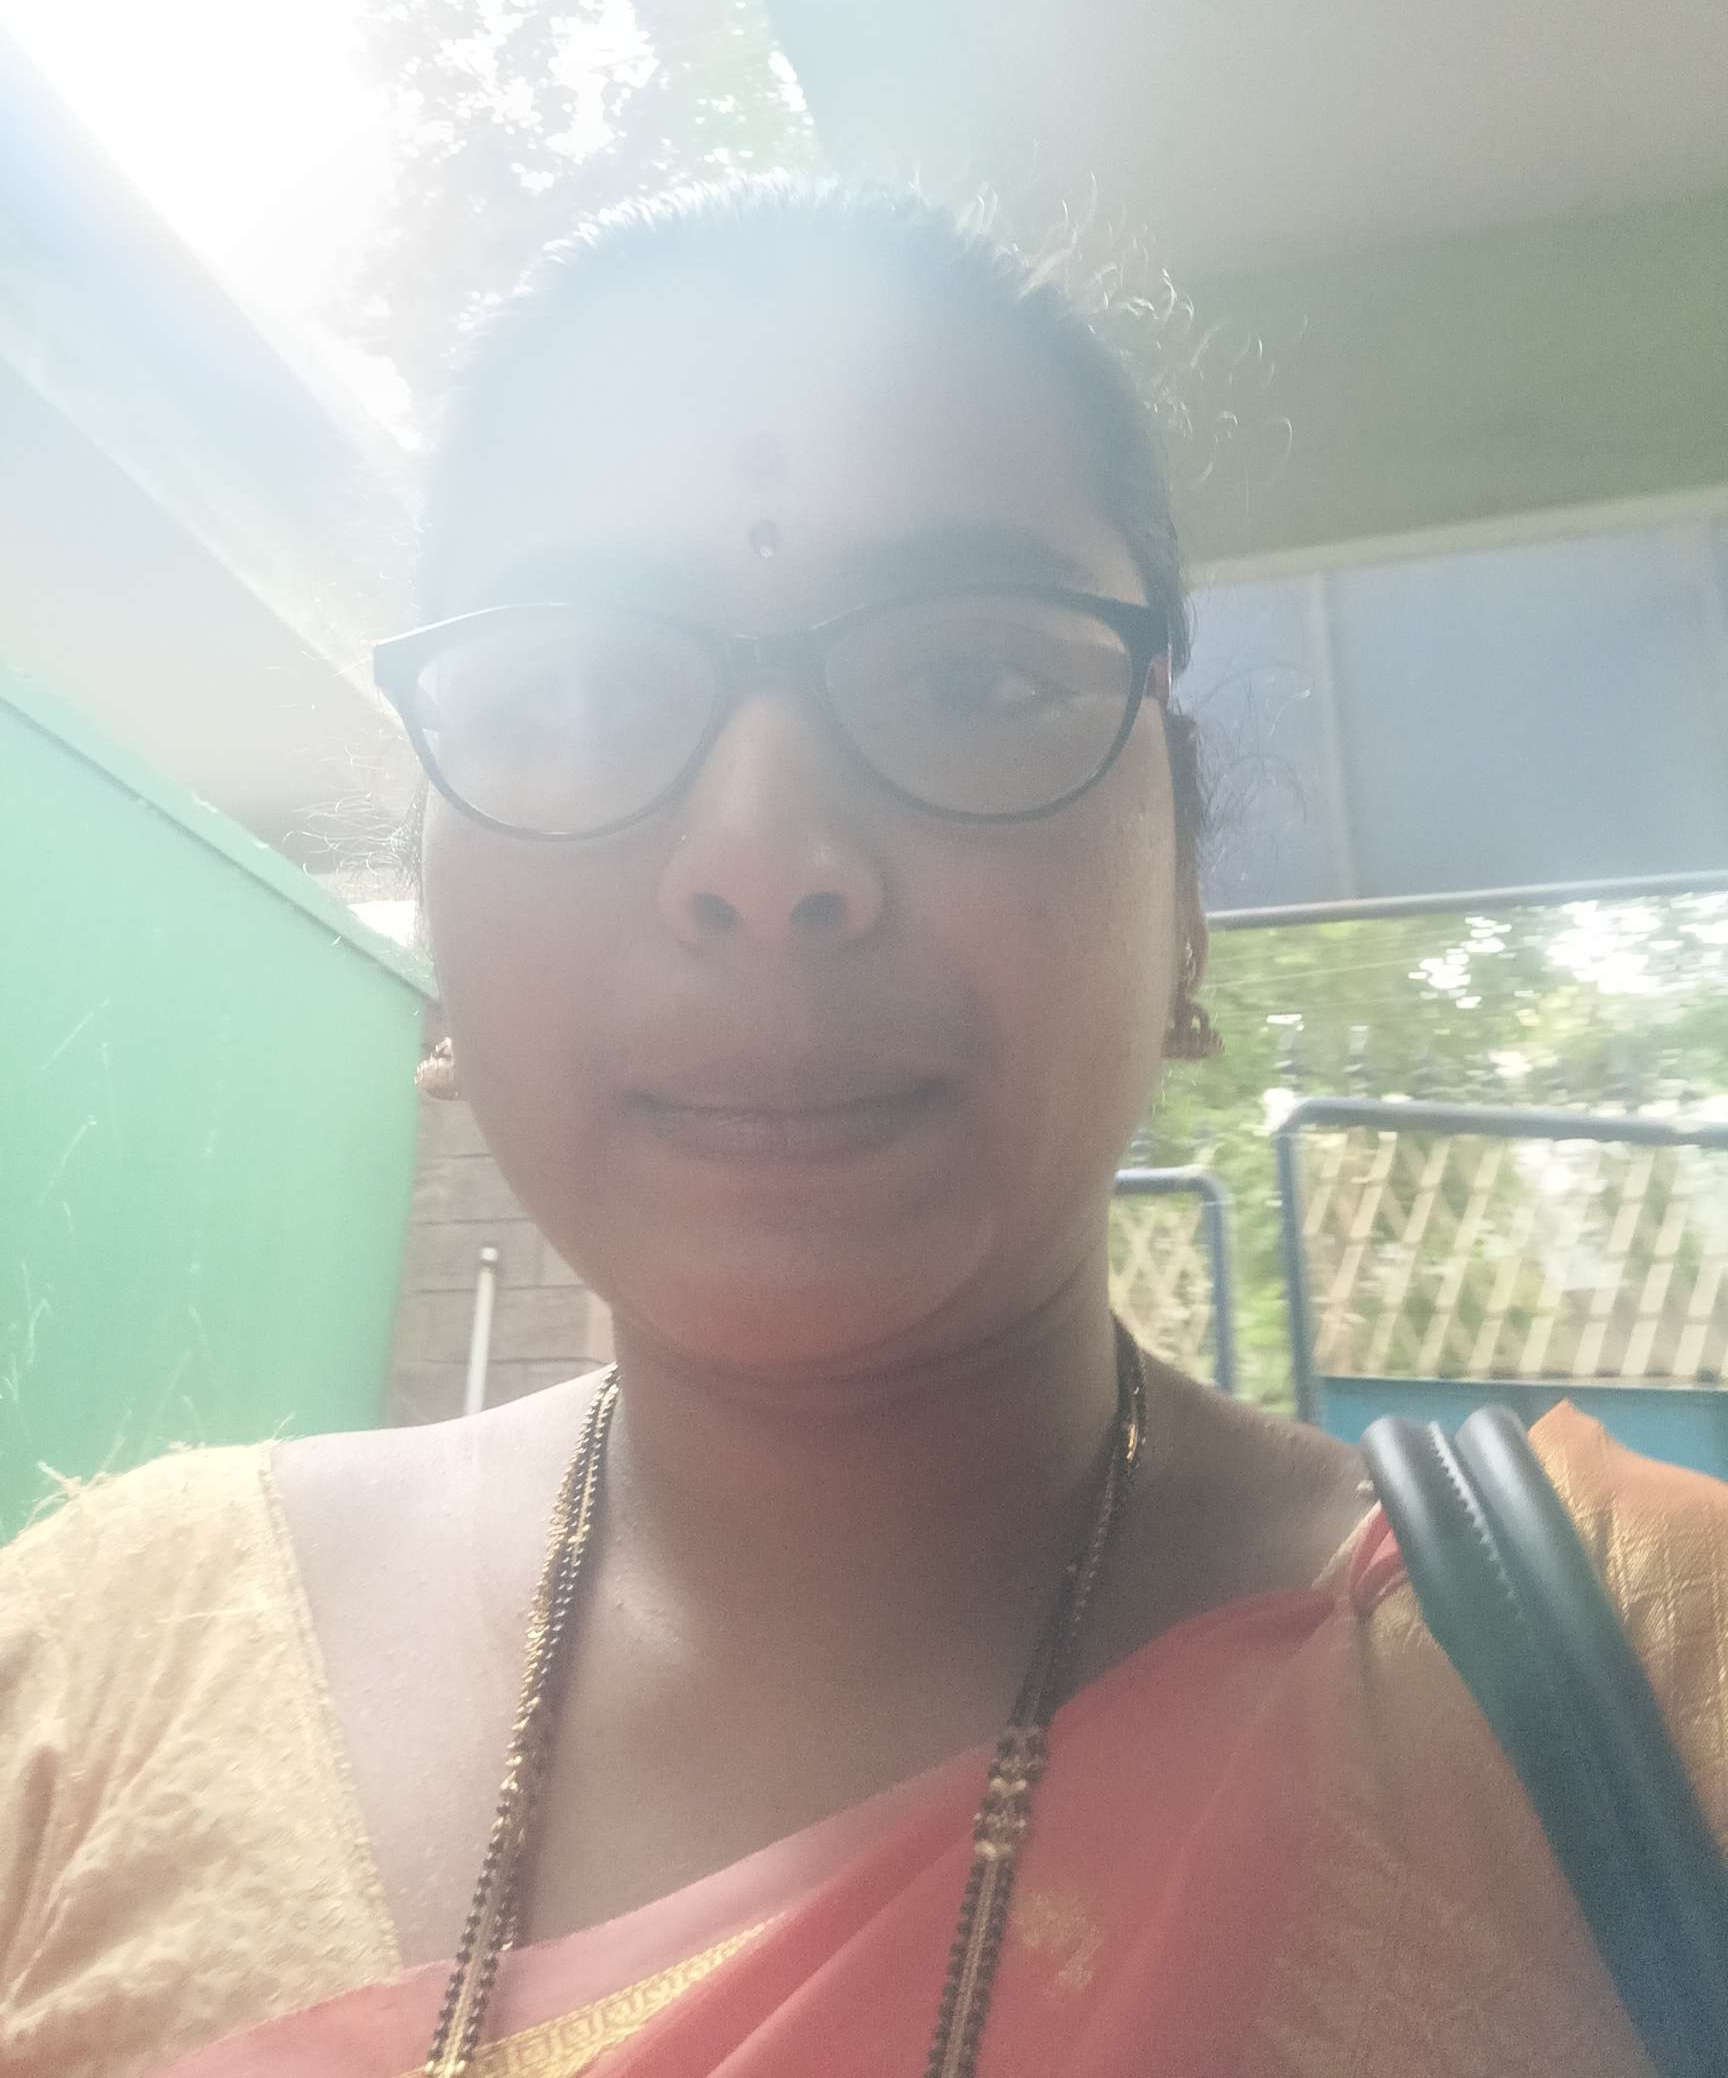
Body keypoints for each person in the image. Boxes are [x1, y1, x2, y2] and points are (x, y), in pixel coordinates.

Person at [3, 177, 1724, 2078]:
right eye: (572, 687)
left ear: (1182, 897)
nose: (764, 856)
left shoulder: (1654, 1682)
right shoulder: (86, 1690)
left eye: (976, 676)